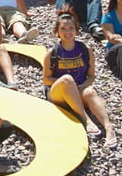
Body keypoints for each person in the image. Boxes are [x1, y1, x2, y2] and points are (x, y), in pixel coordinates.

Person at [44, 14, 115, 144]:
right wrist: (69, 84)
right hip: (58, 94)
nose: (68, 32)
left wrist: (82, 86)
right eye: (63, 29)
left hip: (79, 90)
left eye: (71, 28)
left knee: (90, 92)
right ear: (57, 32)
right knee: (67, 79)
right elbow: (46, 79)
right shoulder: (52, 52)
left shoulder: (85, 49)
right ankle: (86, 119)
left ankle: (109, 127)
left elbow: (92, 76)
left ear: (76, 30)